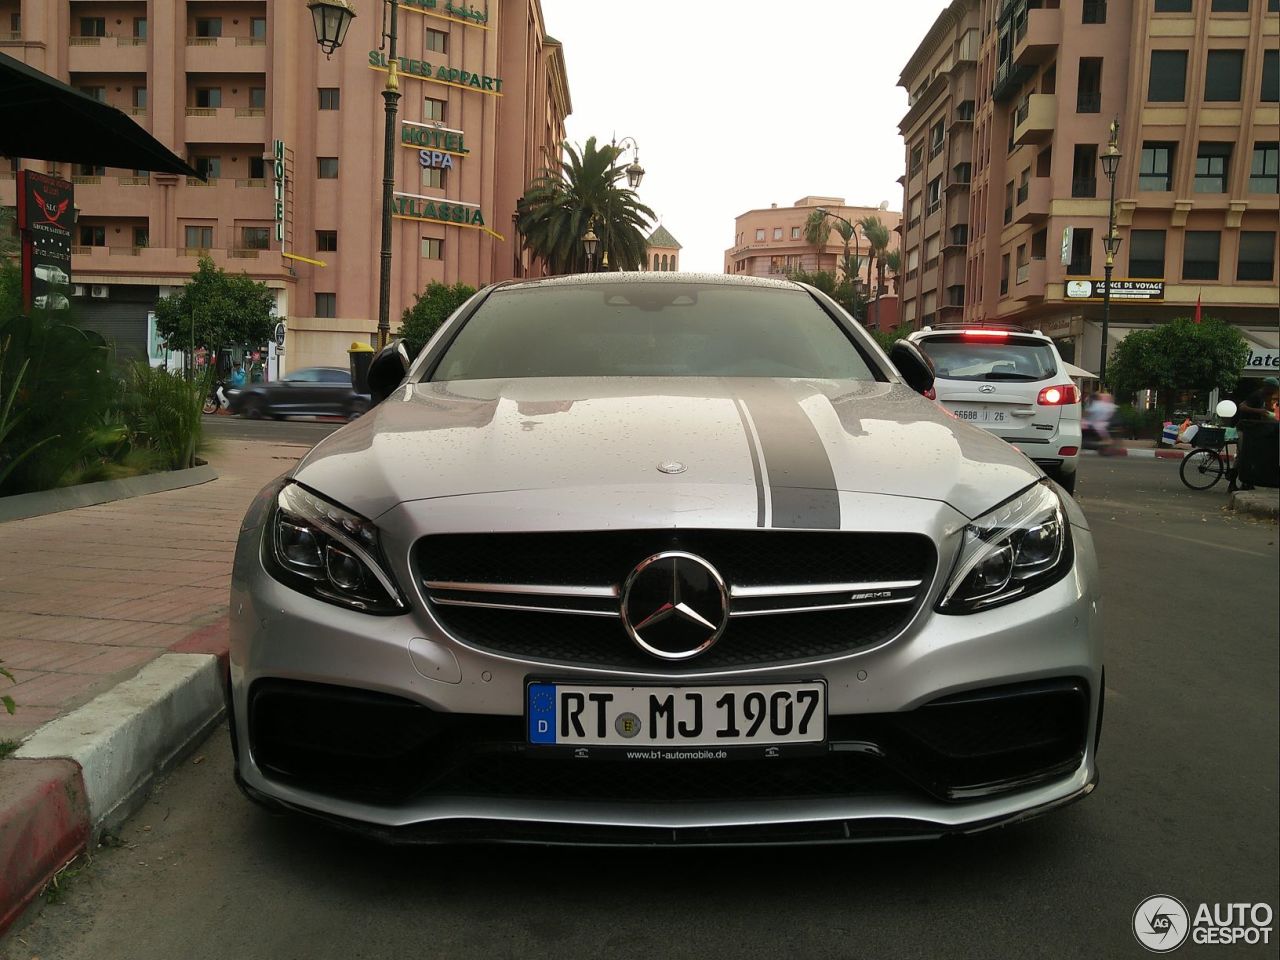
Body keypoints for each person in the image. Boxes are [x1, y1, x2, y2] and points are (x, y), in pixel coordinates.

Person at [1229, 377, 1279, 491]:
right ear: (1267, 386)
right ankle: (1232, 482)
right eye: (1273, 388)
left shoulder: (1266, 397)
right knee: (1242, 455)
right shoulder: (1256, 395)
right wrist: (1260, 411)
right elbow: (1242, 406)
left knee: (1252, 456)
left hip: (1253, 430)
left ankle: (1247, 482)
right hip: (1244, 429)